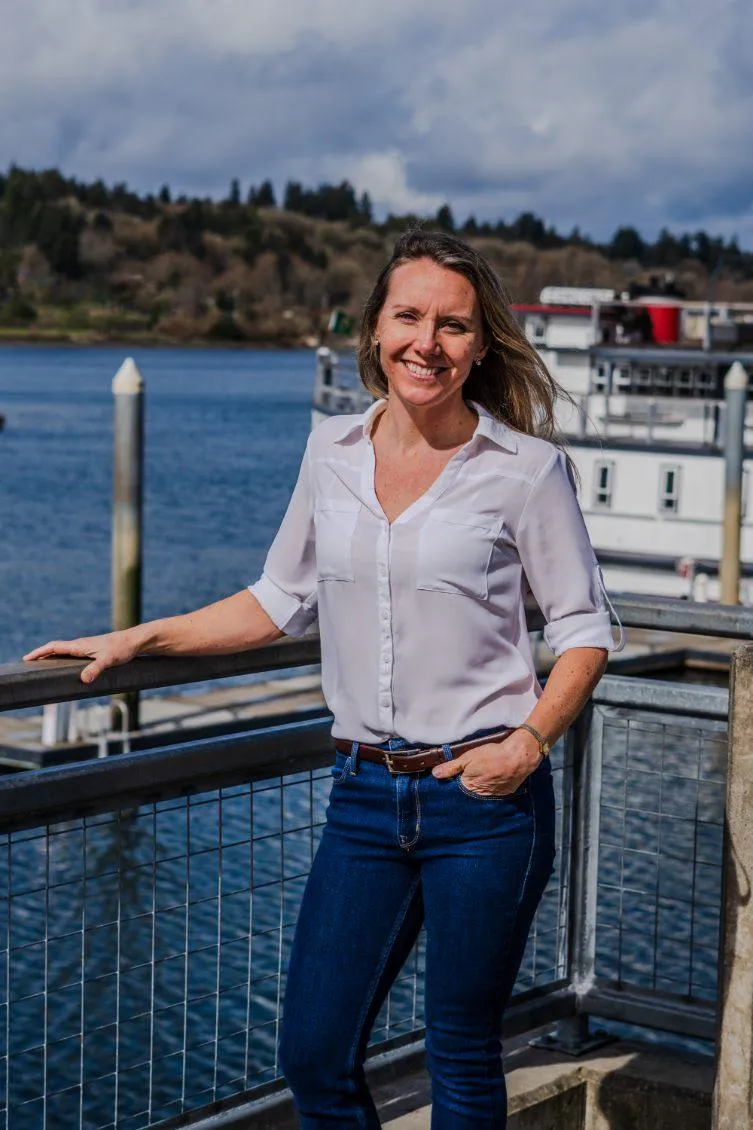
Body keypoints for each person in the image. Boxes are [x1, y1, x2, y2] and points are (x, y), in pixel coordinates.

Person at [25, 231, 622, 1128]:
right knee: (313, 1050)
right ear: (375, 330)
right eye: (407, 316)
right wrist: (138, 637)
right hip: (363, 797)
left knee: (459, 1047)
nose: (427, 341)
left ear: (481, 343)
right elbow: (278, 598)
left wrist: (528, 743)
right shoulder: (330, 450)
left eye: (452, 325)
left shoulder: (525, 471)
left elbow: (584, 630)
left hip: (486, 801)